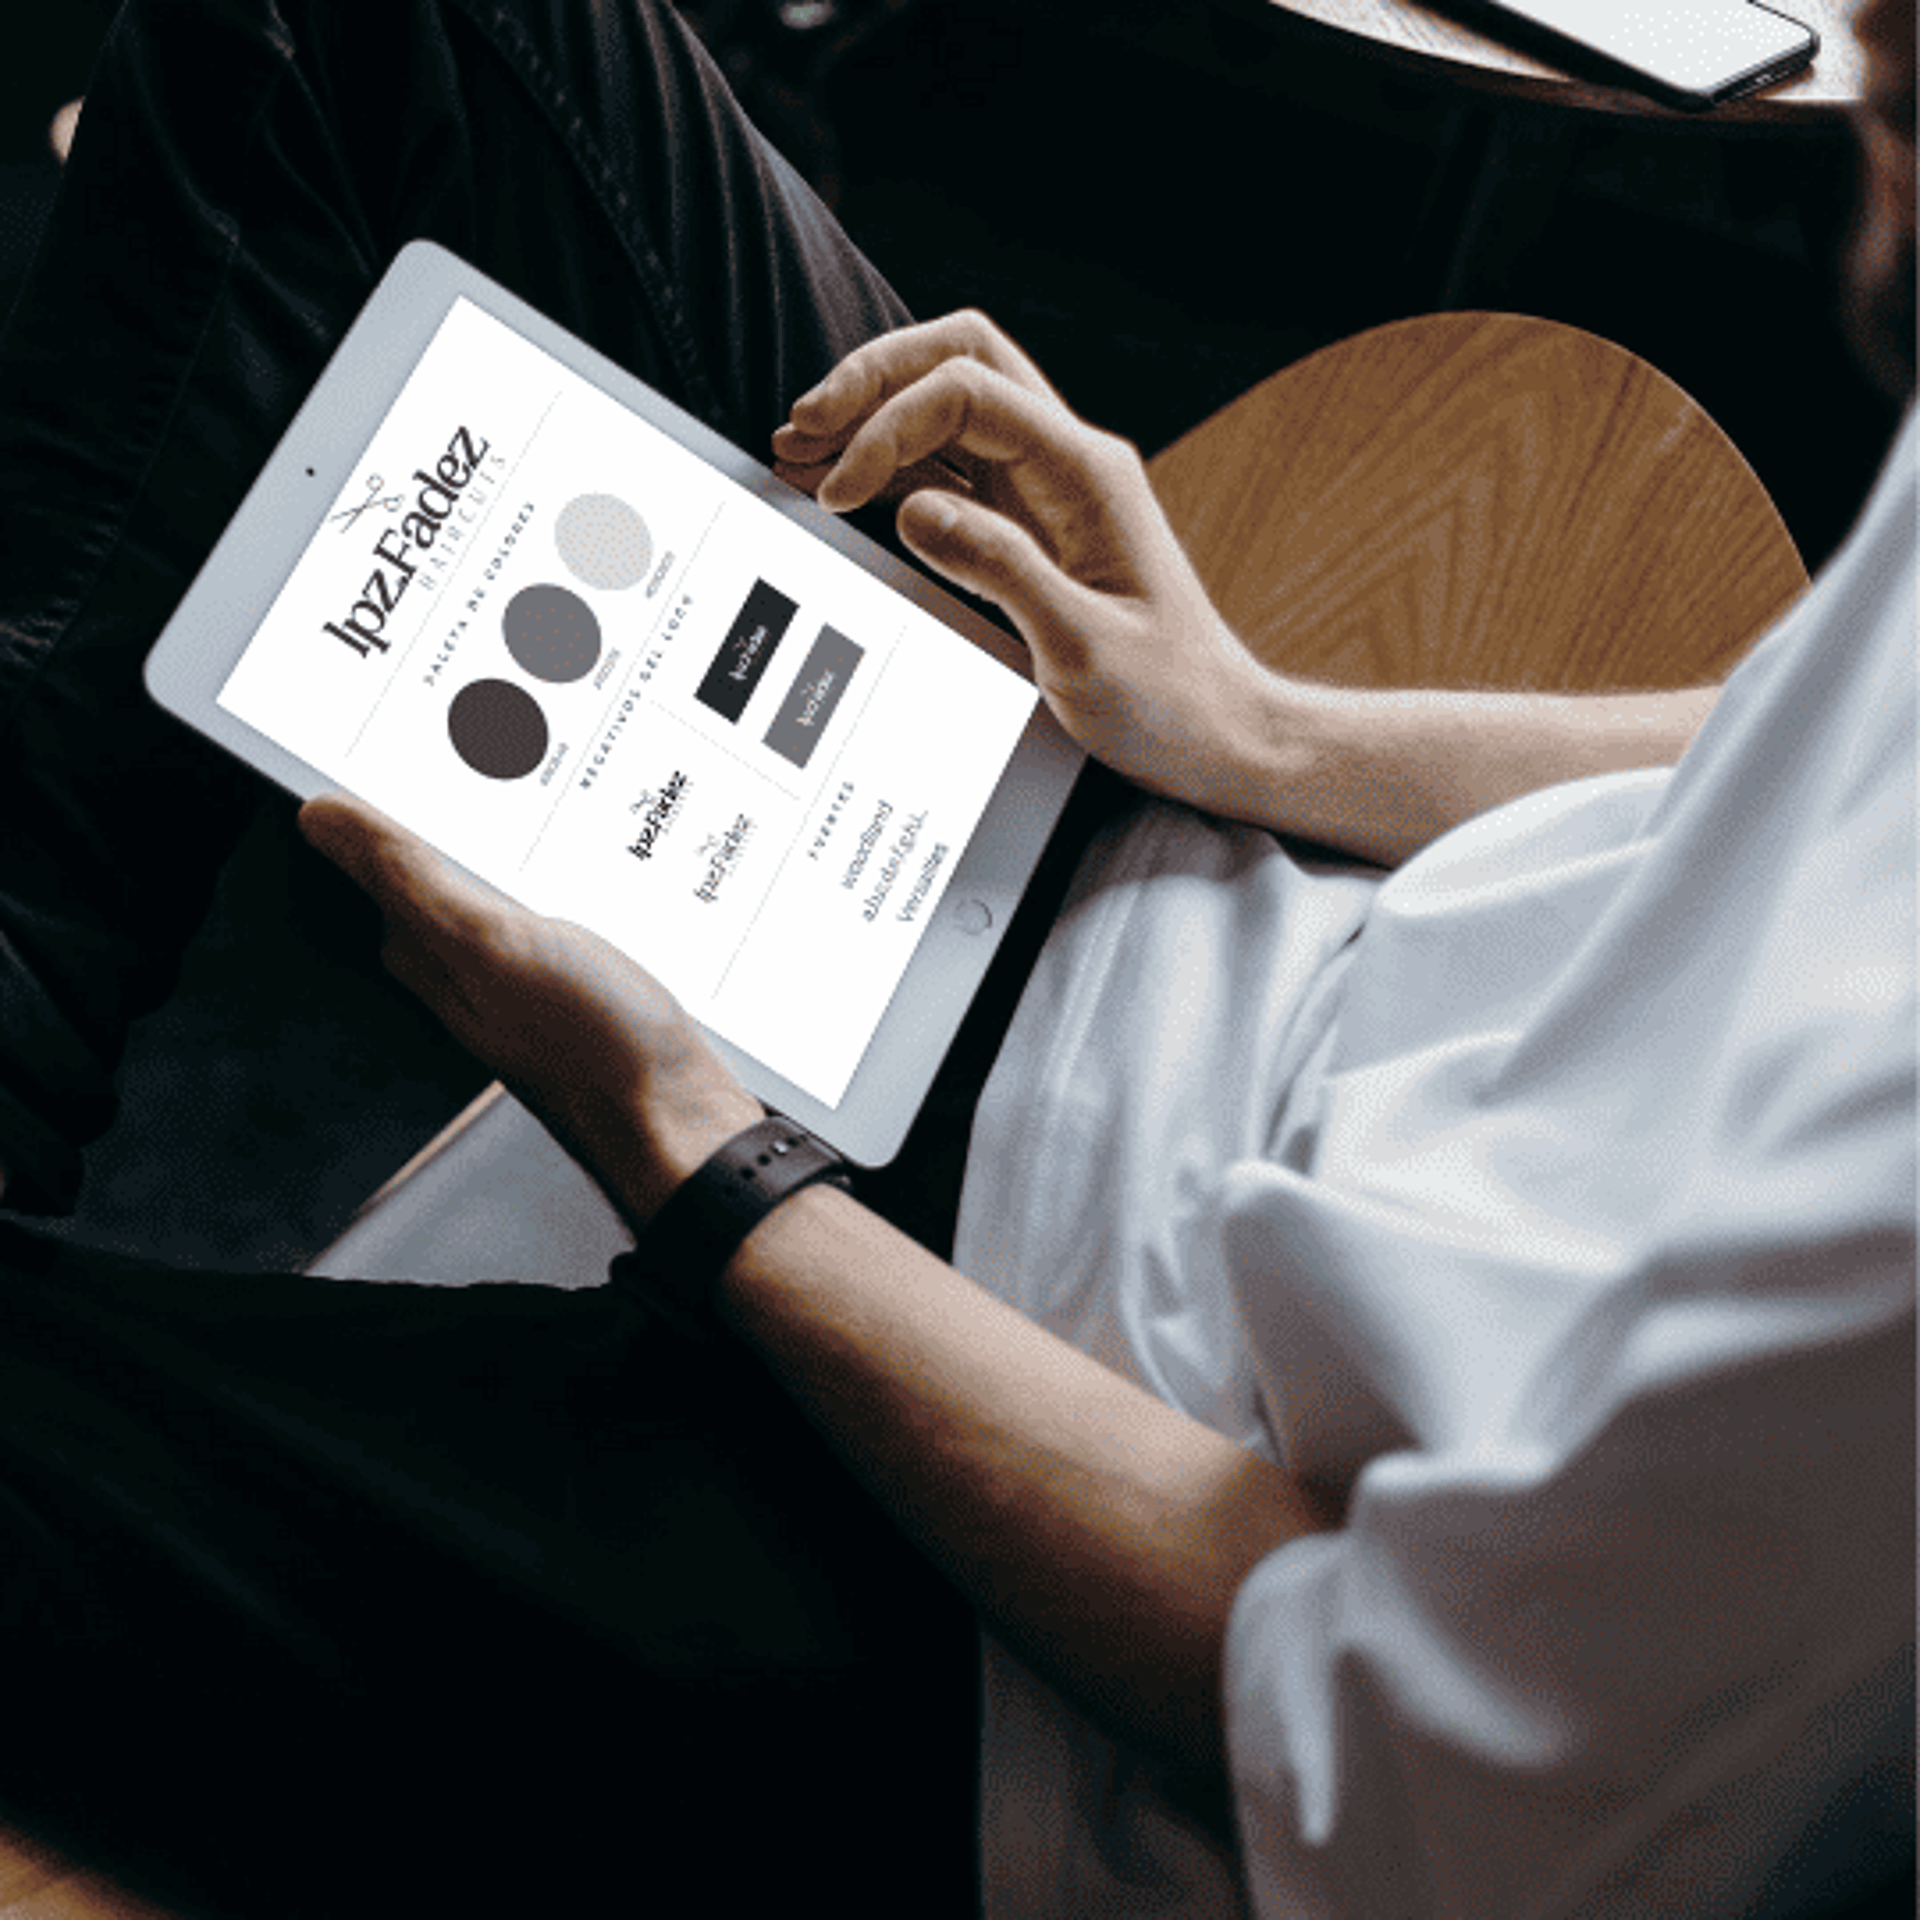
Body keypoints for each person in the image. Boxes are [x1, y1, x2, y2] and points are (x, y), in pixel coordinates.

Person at [0, 3, 1910, 1918]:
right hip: (1197, 957)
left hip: (1022, 1633)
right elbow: (1822, 722)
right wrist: (1252, 729)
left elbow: (1421, 1776)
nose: (1874, 32)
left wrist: (700, 1159)